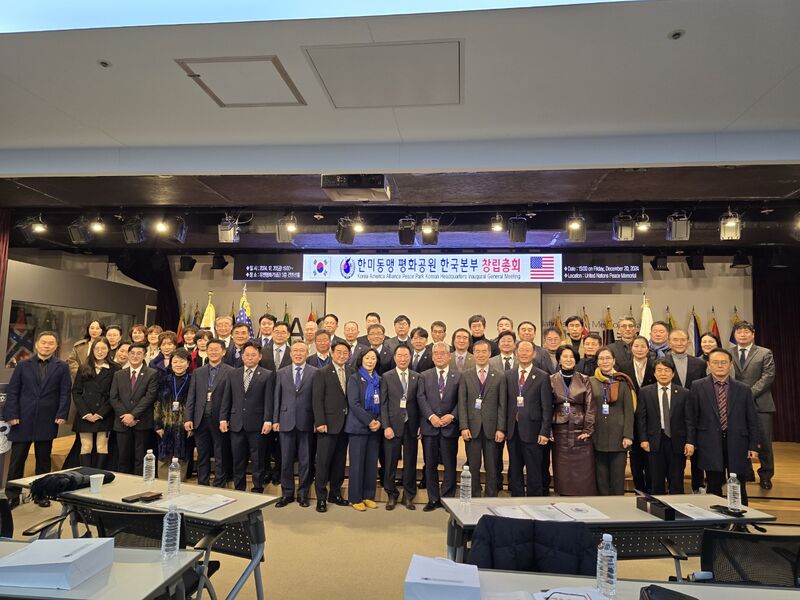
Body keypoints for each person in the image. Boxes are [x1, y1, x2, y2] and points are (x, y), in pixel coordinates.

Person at [5, 331, 71, 508]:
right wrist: (12, 415)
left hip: (47, 419)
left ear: (56, 346)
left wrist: (61, 414)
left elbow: (65, 392)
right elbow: (13, 391)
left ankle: (40, 494)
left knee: (43, 460)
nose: (46, 346)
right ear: (36, 344)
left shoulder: (62, 367)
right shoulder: (23, 365)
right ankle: (12, 495)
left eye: (51, 343)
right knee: (17, 460)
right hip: (22, 419)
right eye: (43, 342)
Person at [687, 348, 759, 504]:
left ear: (730, 364)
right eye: (715, 362)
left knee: (738, 486)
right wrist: (691, 441)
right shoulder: (698, 386)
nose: (720, 366)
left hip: (737, 443)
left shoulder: (743, 389)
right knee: (713, 485)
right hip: (709, 443)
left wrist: (753, 445)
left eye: (724, 362)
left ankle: (740, 517)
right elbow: (692, 418)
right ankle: (716, 518)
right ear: (709, 364)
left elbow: (752, 420)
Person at [219, 341, 275, 493]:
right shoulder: (233, 374)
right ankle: (239, 488)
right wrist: (223, 418)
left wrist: (268, 420)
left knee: (258, 460)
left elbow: (269, 400)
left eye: (253, 355)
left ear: (260, 357)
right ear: (242, 357)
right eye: (247, 355)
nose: (250, 357)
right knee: (238, 459)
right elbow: (227, 398)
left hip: (258, 425)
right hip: (236, 423)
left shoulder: (267, 374)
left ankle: (257, 488)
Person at [458, 339, 506, 497]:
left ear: (490, 353)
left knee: (492, 466)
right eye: (477, 352)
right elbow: (462, 403)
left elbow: (502, 405)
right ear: (473, 354)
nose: (480, 355)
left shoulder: (499, 376)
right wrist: (463, 426)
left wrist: (501, 428)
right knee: (473, 464)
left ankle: (491, 496)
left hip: (492, 429)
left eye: (484, 351)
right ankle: (474, 495)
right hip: (472, 428)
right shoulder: (466, 375)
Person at [505, 340, 553, 497]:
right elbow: (505, 404)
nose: (524, 353)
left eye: (528, 351)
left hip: (533, 431)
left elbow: (547, 407)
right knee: (515, 469)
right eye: (521, 350)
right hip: (513, 430)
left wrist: (545, 432)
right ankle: (517, 500)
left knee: (534, 470)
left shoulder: (542, 376)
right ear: (516, 353)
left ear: (534, 354)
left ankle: (534, 501)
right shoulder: (509, 375)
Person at [732, 321, 776, 490]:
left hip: (761, 404)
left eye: (746, 332)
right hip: (736, 404)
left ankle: (766, 475)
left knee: (764, 442)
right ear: (735, 335)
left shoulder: (765, 352)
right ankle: (747, 472)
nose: (743, 335)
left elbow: (768, 376)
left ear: (753, 334)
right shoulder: (728, 352)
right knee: (741, 439)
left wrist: (748, 393)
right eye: (739, 332)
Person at [185, 338, 234, 487]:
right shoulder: (198, 372)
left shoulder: (231, 372)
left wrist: (227, 418)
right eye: (210, 349)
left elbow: (232, 398)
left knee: (220, 454)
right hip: (200, 418)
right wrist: (188, 418)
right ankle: (203, 483)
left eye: (216, 349)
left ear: (223, 352)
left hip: (220, 419)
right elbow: (191, 396)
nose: (213, 352)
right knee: (202, 454)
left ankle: (219, 483)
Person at [417, 341, 461, 511]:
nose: (439, 356)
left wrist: (452, 415)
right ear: (432, 357)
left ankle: (448, 499)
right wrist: (431, 416)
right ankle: (433, 498)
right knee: (430, 464)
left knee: (450, 464)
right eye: (436, 354)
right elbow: (421, 398)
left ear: (449, 356)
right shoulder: (424, 376)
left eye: (443, 353)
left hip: (450, 427)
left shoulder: (458, 376)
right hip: (430, 427)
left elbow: (461, 400)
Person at [273, 342, 317, 507]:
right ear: (290, 354)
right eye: (295, 351)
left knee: (305, 461)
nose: (298, 354)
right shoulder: (281, 373)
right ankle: (287, 494)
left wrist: (317, 421)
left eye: (302, 351)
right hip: (285, 421)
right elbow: (276, 397)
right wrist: (275, 419)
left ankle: (303, 494)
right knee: (286, 460)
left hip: (307, 421)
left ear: (307, 353)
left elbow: (317, 399)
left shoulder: (315, 372)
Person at [637, 358, 691, 494]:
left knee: (676, 481)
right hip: (655, 441)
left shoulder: (684, 393)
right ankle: (657, 506)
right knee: (656, 481)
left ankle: (677, 506)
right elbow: (641, 418)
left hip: (677, 441)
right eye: (659, 370)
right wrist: (643, 439)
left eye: (667, 370)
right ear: (654, 373)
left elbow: (689, 420)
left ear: (673, 374)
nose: (663, 374)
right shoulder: (645, 392)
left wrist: (690, 441)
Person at [550, 345, 596, 496]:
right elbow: (547, 406)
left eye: (571, 357)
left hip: (580, 429)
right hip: (559, 430)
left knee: (584, 470)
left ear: (576, 360)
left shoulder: (584, 379)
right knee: (562, 469)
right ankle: (563, 496)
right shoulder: (551, 379)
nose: (568, 359)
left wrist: (588, 429)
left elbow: (590, 405)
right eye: (565, 356)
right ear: (559, 360)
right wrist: (548, 430)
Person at [312, 341, 352, 512]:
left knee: (339, 462)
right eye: (339, 352)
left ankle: (335, 494)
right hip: (327, 425)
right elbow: (317, 400)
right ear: (332, 353)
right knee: (323, 462)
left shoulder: (351, 371)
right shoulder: (322, 372)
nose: (342, 355)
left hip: (346, 425)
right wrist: (320, 422)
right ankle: (321, 498)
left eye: (345, 353)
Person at [590, 347, 635, 495]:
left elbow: (629, 410)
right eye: (601, 358)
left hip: (619, 437)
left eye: (608, 358)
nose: (605, 361)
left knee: (617, 480)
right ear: (597, 362)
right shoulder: (590, 382)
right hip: (598, 435)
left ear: (614, 361)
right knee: (601, 479)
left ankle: (618, 506)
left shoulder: (623, 381)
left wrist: (628, 435)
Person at [109, 342, 159, 475]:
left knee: (140, 459)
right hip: (122, 422)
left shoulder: (152, 374)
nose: (135, 356)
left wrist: (133, 415)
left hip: (142, 422)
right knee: (123, 458)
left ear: (144, 355)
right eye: (132, 353)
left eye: (139, 353)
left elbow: (150, 397)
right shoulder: (119, 374)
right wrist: (125, 416)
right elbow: (113, 398)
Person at [381, 345, 420, 510]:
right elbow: (383, 404)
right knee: (390, 462)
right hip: (392, 426)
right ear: (395, 357)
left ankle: (409, 495)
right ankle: (391, 494)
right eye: (400, 356)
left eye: (406, 356)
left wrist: (420, 425)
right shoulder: (386, 376)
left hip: (411, 426)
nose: (403, 359)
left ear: (410, 357)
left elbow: (419, 403)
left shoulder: (417, 377)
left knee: (410, 462)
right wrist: (386, 426)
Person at [72, 337, 120, 469]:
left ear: (109, 350)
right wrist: (85, 413)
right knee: (86, 446)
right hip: (85, 413)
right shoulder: (84, 367)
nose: (100, 351)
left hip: (104, 414)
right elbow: (76, 392)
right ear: (92, 350)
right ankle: (86, 475)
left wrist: (100, 414)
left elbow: (114, 394)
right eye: (97, 348)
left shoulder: (115, 368)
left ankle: (99, 475)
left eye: (103, 348)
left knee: (102, 446)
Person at [345, 349, 382, 511]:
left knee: (371, 464)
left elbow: (384, 403)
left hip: (375, 428)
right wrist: (369, 421)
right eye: (367, 358)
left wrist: (379, 421)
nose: (370, 361)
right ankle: (355, 498)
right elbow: (354, 404)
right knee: (357, 464)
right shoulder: (354, 379)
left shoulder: (380, 380)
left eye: (373, 358)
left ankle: (368, 496)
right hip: (358, 427)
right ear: (361, 360)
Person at [622, 335, 654, 493]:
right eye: (636, 346)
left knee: (651, 457)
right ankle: (639, 489)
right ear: (631, 348)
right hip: (632, 416)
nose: (639, 349)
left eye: (643, 346)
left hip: (651, 417)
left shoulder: (655, 366)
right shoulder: (623, 367)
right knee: (635, 458)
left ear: (648, 349)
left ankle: (651, 489)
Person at [154, 348, 192, 480]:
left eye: (182, 361)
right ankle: (162, 486)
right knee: (164, 457)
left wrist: (192, 425)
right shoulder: (164, 380)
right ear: (171, 363)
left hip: (184, 425)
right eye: (175, 362)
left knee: (181, 457)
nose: (178, 364)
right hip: (166, 424)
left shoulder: (193, 380)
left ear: (188, 363)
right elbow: (157, 403)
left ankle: (179, 485)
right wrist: (158, 425)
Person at [489, 330, 517, 491]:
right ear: (498, 344)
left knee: (515, 452)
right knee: (495, 452)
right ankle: (496, 482)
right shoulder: (490, 362)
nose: (506, 343)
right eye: (503, 341)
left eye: (509, 341)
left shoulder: (521, 361)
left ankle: (513, 483)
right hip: (495, 413)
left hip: (515, 412)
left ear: (514, 344)